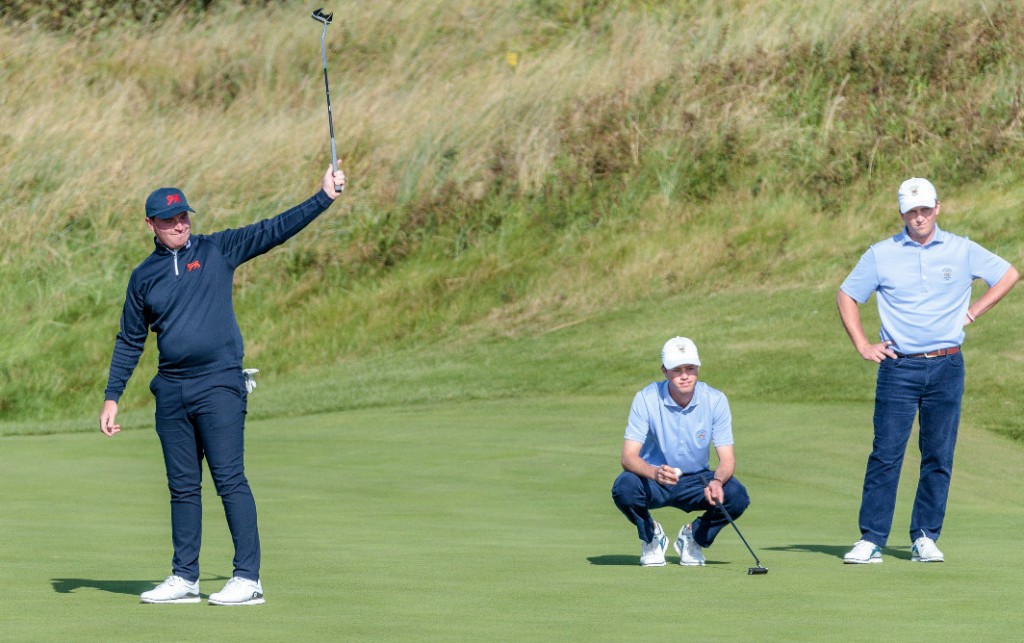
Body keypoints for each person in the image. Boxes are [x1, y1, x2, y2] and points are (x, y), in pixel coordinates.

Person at [99, 164, 346, 604]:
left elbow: (275, 230)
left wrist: (322, 197)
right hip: (172, 390)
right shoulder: (143, 277)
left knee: (229, 479)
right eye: (169, 220)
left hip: (219, 385)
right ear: (151, 225)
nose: (179, 224)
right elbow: (130, 338)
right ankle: (185, 577)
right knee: (182, 486)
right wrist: (112, 395)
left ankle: (248, 579)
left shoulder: (218, 250)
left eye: (184, 217)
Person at [836, 177, 1018, 564]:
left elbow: (1008, 274)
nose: (918, 217)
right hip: (898, 367)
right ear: (902, 213)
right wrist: (863, 345)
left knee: (938, 453)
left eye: (924, 209)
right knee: (886, 453)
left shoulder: (962, 249)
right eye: (911, 211)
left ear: (937, 208)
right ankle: (871, 539)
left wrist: (973, 311)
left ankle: (924, 536)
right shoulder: (882, 254)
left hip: (947, 365)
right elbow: (847, 294)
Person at [611, 337, 751, 567]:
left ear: (697, 368)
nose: (685, 375)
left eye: (690, 368)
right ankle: (652, 536)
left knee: (736, 495)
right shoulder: (646, 398)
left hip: (698, 479)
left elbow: (727, 459)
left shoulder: (715, 400)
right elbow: (628, 457)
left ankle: (693, 538)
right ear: (664, 371)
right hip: (656, 478)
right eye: (677, 370)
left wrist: (717, 481)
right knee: (624, 487)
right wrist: (654, 473)